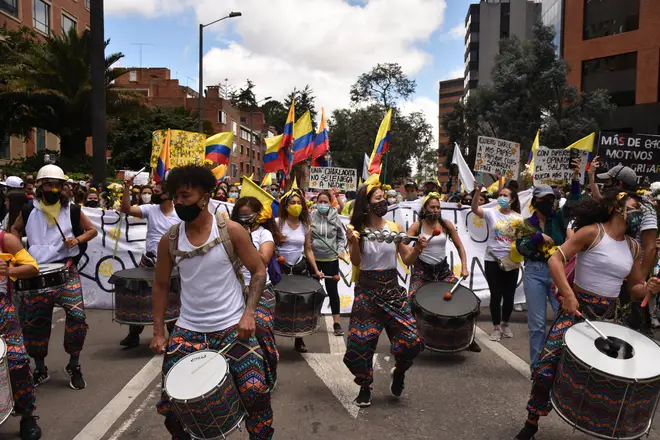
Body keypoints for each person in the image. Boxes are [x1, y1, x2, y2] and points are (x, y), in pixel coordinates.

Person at [514, 190, 659, 440]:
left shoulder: (633, 247)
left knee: (616, 380)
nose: (639, 215)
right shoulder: (592, 232)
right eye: (635, 208)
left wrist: (647, 288)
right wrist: (568, 295)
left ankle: (609, 429)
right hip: (576, 312)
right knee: (545, 369)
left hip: (610, 319)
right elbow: (555, 260)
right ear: (617, 207)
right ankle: (531, 422)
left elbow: (634, 289)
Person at [151, 165, 273, 440]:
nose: (179, 202)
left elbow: (259, 270)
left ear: (205, 197)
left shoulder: (231, 231)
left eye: (185, 195)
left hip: (233, 328)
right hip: (188, 331)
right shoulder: (169, 240)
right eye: (176, 197)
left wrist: (249, 314)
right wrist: (159, 331)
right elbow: (159, 285)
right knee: (174, 409)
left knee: (256, 393)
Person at [10, 164, 98, 390]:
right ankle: (40, 368)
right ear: (39, 186)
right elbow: (15, 230)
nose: (52, 188)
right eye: (47, 184)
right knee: (35, 324)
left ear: (63, 187)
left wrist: (77, 240)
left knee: (77, 318)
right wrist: (19, 252)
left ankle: (74, 364)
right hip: (35, 273)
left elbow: (92, 231)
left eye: (56, 185)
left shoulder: (73, 210)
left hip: (66, 272)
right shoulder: (29, 209)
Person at [343, 181, 423, 407]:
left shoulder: (395, 228)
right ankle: (365, 386)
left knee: (411, 342)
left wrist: (418, 249)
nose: (383, 202)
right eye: (378, 199)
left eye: (383, 197)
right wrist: (354, 244)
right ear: (366, 204)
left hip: (392, 289)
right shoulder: (355, 230)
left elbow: (406, 259)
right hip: (367, 292)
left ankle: (399, 372)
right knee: (359, 345)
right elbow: (357, 261)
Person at [590, 159, 658, 333]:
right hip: (612, 274)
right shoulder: (616, 205)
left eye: (608, 182)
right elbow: (598, 198)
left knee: (626, 330)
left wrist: (638, 283)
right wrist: (591, 176)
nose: (606, 186)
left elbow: (650, 248)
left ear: (619, 184)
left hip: (630, 277)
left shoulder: (645, 208)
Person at [516, 181, 579, 368]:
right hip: (534, 273)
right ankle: (537, 367)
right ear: (535, 201)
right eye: (545, 199)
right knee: (537, 325)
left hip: (557, 273)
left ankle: (565, 365)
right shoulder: (526, 224)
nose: (549, 202)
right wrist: (538, 237)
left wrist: (576, 180)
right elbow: (522, 248)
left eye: (551, 199)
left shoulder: (559, 218)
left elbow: (573, 203)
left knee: (567, 317)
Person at [407, 192, 479, 352]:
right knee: (411, 300)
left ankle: (469, 339)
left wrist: (465, 267)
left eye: (438, 207)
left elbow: (460, 246)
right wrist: (415, 246)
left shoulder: (446, 224)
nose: (436, 210)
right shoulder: (416, 226)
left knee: (466, 299)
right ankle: (410, 339)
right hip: (421, 270)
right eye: (432, 207)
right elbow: (404, 244)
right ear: (424, 208)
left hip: (442, 270)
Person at [119, 179, 181, 347]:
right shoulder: (150, 210)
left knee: (172, 300)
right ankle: (133, 334)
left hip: (172, 265)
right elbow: (126, 209)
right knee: (140, 299)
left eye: (157, 191)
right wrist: (127, 188)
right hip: (148, 263)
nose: (152, 194)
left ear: (168, 195)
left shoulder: (180, 214)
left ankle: (173, 337)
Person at [230, 196, 283, 389]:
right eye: (240, 216)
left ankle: (270, 369)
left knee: (260, 328)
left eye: (248, 216)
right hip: (234, 289)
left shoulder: (264, 234)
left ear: (257, 216)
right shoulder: (228, 233)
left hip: (260, 288)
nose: (244, 219)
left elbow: (264, 260)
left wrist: (246, 240)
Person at [0, 230, 42, 440]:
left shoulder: (4, 239)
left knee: (17, 361)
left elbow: (32, 267)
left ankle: (27, 415)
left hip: (2, 312)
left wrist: (9, 270)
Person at [472, 184, 523, 342]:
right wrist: (478, 191)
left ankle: (505, 324)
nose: (501, 198)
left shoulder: (519, 218)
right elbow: (474, 209)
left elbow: (521, 240)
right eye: (500, 195)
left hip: (511, 260)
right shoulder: (491, 213)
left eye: (505, 195)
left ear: (512, 200)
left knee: (509, 296)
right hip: (492, 260)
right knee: (496, 294)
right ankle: (495, 328)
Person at [276, 188, 323, 352]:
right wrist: (276, 257)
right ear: (286, 205)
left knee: (300, 303)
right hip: (279, 268)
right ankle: (272, 336)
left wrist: (316, 270)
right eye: (292, 202)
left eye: (298, 203)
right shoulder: (277, 223)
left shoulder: (306, 226)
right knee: (278, 301)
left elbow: (308, 249)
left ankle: (299, 339)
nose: (296, 205)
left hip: (298, 267)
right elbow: (270, 245)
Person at [310, 190, 347, 336]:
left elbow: (340, 237)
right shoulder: (311, 216)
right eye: (321, 202)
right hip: (314, 260)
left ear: (331, 203)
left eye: (326, 202)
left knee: (333, 292)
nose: (323, 204)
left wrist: (341, 250)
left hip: (331, 259)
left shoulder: (335, 217)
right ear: (316, 202)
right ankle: (311, 320)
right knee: (313, 291)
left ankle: (337, 323)